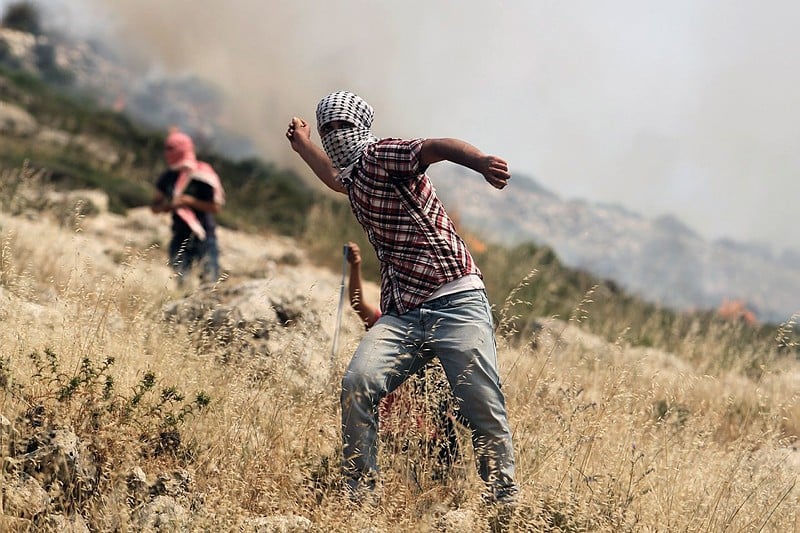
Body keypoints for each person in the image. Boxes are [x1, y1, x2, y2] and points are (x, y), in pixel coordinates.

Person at [286, 91, 518, 505]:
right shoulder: (354, 178)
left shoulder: (383, 155)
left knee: (481, 403)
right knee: (358, 382)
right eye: (328, 130)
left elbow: (437, 148)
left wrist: (481, 162)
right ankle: (361, 496)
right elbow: (332, 178)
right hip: (404, 312)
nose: (335, 136)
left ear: (361, 127)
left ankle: (503, 503)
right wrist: (304, 145)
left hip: (455, 297)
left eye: (342, 127)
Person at [345, 240, 461, 480]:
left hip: (429, 435)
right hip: (393, 432)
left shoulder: (444, 331)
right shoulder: (390, 327)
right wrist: (355, 266)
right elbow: (358, 304)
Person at [151, 127, 225, 286]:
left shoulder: (203, 175)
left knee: (209, 283)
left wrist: (188, 202)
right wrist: (171, 205)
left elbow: (215, 207)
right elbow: (155, 207)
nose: (168, 153)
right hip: (179, 234)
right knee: (180, 281)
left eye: (172, 149)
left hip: (204, 235)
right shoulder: (168, 177)